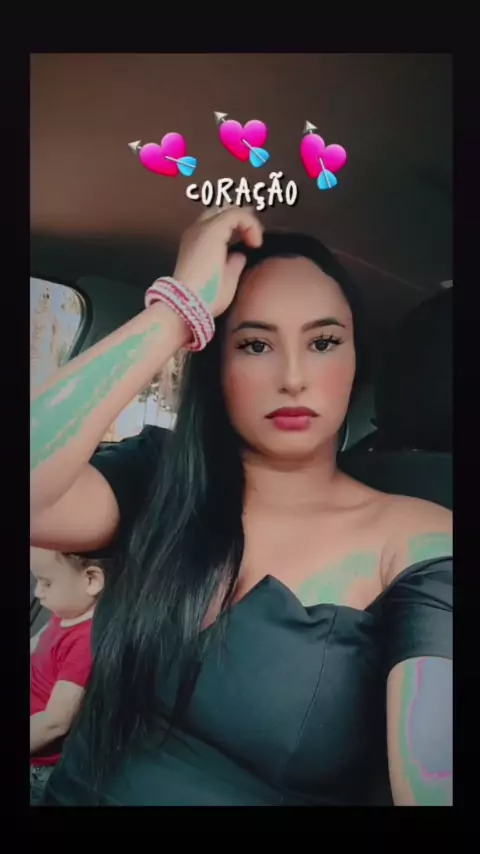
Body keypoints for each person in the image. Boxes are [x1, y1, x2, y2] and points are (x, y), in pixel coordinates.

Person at [30, 207, 452, 806]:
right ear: (218, 366)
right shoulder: (160, 476)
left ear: (357, 359)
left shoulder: (420, 540)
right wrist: (175, 311)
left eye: (324, 342)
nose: (294, 377)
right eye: (255, 344)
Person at [29, 548, 105, 804]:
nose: (37, 592)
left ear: (91, 580)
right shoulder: (65, 612)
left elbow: (56, 721)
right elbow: (37, 645)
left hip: (37, 765)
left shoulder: (85, 643)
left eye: (46, 582)